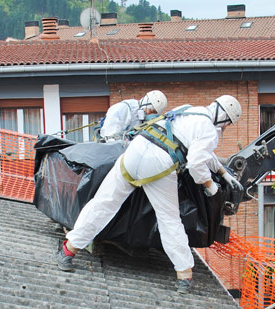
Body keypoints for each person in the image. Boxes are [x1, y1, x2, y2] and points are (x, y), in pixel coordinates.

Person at [57, 95, 242, 294]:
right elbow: (197, 163)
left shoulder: (188, 108)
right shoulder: (209, 130)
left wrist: (223, 171)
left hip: (134, 152)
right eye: (228, 124)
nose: (225, 128)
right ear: (226, 119)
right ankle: (184, 274)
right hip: (158, 165)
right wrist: (211, 186)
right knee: (169, 220)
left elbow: (200, 150)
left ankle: (69, 250)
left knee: (103, 204)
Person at [97, 90, 168, 142]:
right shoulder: (123, 109)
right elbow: (110, 139)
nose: (149, 114)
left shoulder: (143, 119)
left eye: (154, 113)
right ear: (146, 102)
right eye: (151, 110)